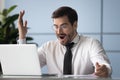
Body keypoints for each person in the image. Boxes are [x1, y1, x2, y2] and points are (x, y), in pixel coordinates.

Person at [17, 6, 112, 77]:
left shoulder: (91, 44)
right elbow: (26, 66)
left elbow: (103, 65)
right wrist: (22, 36)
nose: (59, 32)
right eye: (56, 27)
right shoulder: (48, 47)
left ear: (75, 25)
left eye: (64, 26)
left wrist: (104, 70)